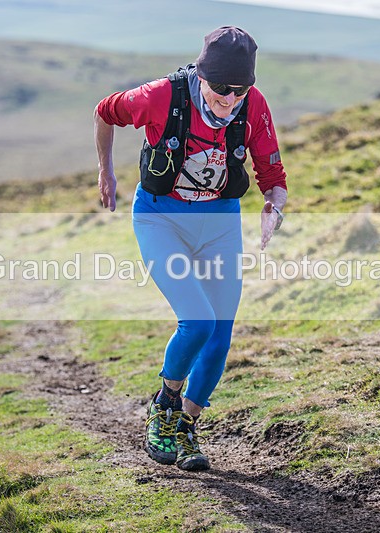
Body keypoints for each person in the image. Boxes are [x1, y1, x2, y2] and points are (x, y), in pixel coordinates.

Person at [93, 26, 288, 471]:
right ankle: (164, 403)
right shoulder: (161, 96)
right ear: (201, 75)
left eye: (239, 91)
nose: (228, 101)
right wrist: (106, 172)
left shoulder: (252, 105)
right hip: (161, 219)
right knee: (197, 322)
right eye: (221, 90)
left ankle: (183, 426)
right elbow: (104, 113)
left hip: (218, 220)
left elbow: (272, 176)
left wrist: (274, 205)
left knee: (220, 333)